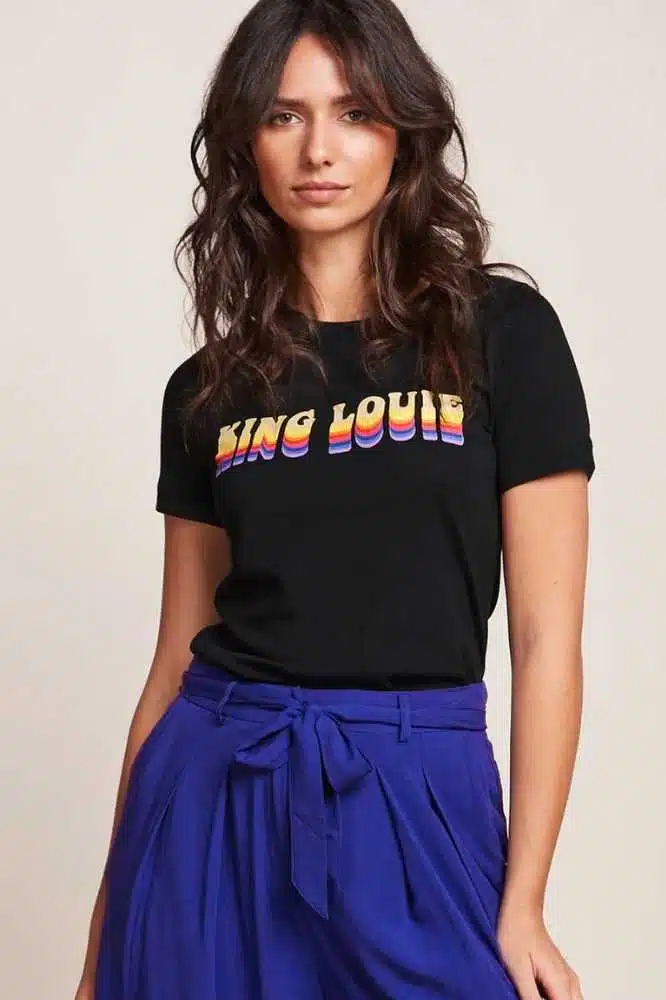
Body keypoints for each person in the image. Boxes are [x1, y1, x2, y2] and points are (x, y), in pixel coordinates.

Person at [76, 1, 595, 998]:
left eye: (355, 112)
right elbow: (175, 658)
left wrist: (525, 899)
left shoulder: (503, 333)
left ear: (404, 131)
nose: (319, 149)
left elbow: (544, 639)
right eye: (285, 115)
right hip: (212, 790)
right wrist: (109, 926)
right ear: (247, 142)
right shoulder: (208, 389)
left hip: (415, 785)